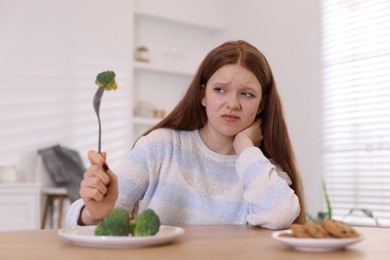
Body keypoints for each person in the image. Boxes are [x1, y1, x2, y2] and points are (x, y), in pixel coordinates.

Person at [66, 40, 306, 229]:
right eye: (220, 90)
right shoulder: (159, 147)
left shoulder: (262, 170)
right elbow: (100, 219)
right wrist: (91, 214)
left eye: (247, 94)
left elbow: (281, 215)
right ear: (203, 95)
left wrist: (245, 147)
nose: (232, 103)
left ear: (261, 105)